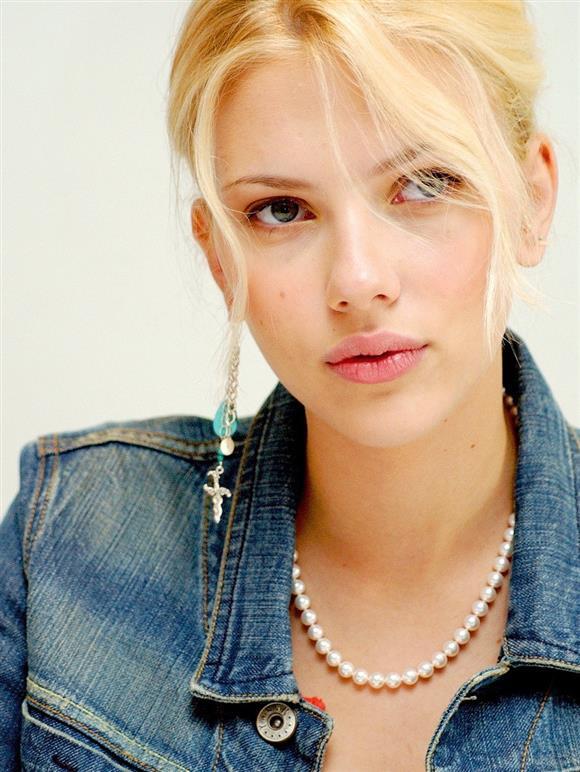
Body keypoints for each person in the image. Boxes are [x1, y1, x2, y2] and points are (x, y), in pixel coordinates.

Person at [1, 0, 578, 770]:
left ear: (531, 199)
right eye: (281, 210)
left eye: (424, 183)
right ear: (218, 255)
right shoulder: (70, 540)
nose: (358, 281)